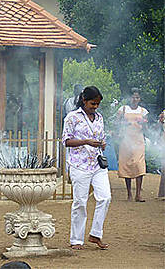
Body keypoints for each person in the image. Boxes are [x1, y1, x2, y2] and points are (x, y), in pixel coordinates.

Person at [62, 86, 111, 250]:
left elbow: (101, 137)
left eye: (97, 104)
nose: (95, 107)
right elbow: (66, 141)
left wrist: (102, 144)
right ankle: (76, 239)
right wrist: (86, 141)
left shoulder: (99, 118)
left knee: (105, 197)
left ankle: (95, 234)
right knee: (80, 202)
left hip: (97, 164)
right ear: (84, 100)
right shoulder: (72, 117)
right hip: (79, 165)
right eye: (92, 103)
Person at [117, 88, 149, 202]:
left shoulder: (143, 111)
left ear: (140, 99)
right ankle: (129, 194)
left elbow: (147, 128)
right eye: (133, 97)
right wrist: (124, 124)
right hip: (126, 140)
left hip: (138, 140)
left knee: (139, 164)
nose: (135, 99)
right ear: (129, 98)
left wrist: (143, 124)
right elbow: (116, 123)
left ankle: (138, 194)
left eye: (137, 97)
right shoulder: (123, 109)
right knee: (127, 165)